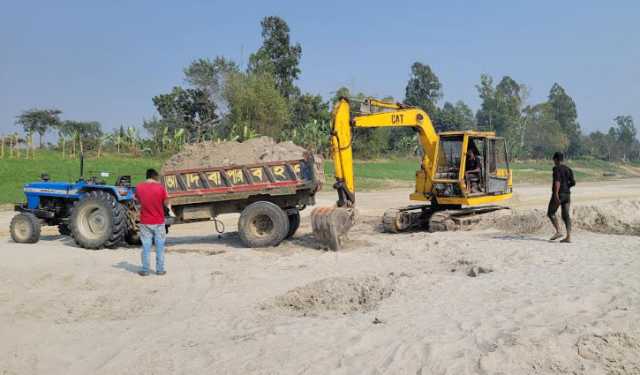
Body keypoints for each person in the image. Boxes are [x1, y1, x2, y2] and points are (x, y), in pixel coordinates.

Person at [135, 168, 170, 276]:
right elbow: (166, 202)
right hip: (159, 221)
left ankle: (145, 270)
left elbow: (136, 201)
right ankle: (160, 270)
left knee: (146, 246)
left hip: (145, 221)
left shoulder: (139, 187)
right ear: (155, 177)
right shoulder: (160, 188)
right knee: (160, 246)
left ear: (147, 176)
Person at [547, 152, 575, 243]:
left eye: (553, 160)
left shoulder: (556, 169)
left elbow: (557, 181)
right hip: (567, 195)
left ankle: (558, 231)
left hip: (559, 194)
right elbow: (573, 182)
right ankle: (569, 237)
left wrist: (555, 194)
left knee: (551, 213)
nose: (553, 161)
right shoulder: (568, 169)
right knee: (566, 215)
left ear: (556, 159)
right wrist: (567, 187)